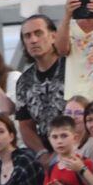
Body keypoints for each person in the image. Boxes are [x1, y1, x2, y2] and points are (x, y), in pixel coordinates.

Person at [13, 14, 67, 166]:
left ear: (53, 36)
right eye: (27, 36)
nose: (33, 40)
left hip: (76, 147)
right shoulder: (24, 81)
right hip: (44, 151)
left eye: (38, 33)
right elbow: (25, 126)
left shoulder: (71, 68)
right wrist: (42, 154)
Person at [42, 116, 93, 185]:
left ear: (75, 138)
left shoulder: (85, 164)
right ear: (49, 139)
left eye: (64, 136)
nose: (59, 141)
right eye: (55, 137)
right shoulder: (51, 170)